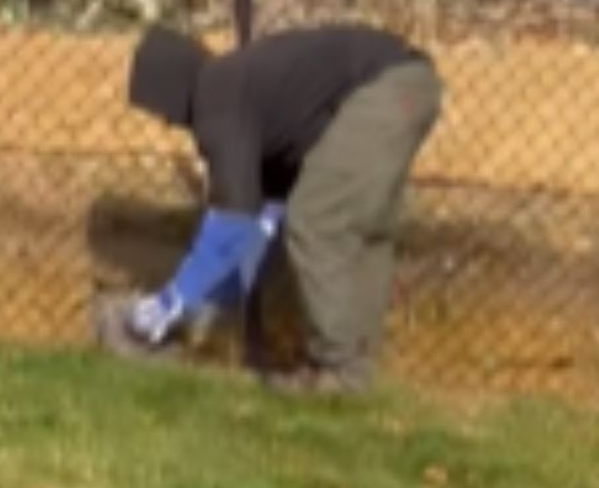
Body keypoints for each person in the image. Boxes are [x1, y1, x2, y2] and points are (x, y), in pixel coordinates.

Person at [98, 22, 443, 392]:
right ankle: (356, 367)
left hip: (384, 90)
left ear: (173, 92)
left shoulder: (218, 101)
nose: (169, 123)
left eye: (163, 111)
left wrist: (161, 310)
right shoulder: (248, 101)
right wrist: (200, 304)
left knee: (317, 222)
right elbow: (259, 227)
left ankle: (339, 371)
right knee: (362, 229)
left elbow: (230, 226)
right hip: (410, 81)